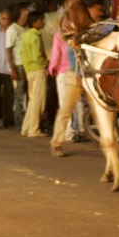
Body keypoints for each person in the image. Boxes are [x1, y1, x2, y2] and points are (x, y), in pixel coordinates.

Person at [48, 27, 81, 157]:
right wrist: (53, 68)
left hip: (72, 73)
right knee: (68, 107)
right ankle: (62, 138)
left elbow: (56, 54)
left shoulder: (64, 34)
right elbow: (57, 54)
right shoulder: (64, 35)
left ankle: (71, 133)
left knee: (66, 108)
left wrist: (52, 68)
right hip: (70, 73)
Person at [19, 11, 48, 137]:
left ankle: (26, 128)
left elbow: (22, 53)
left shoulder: (25, 35)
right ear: (35, 22)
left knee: (32, 101)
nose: (43, 22)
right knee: (37, 101)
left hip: (29, 71)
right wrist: (47, 63)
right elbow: (37, 56)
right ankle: (34, 130)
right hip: (38, 70)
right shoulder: (36, 36)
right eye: (41, 20)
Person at [7, 6, 30, 131]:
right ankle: (18, 122)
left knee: (27, 95)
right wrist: (12, 69)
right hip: (19, 65)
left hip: (28, 65)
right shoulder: (13, 29)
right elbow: (8, 51)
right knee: (19, 95)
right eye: (26, 11)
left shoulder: (27, 28)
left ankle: (25, 122)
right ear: (20, 13)